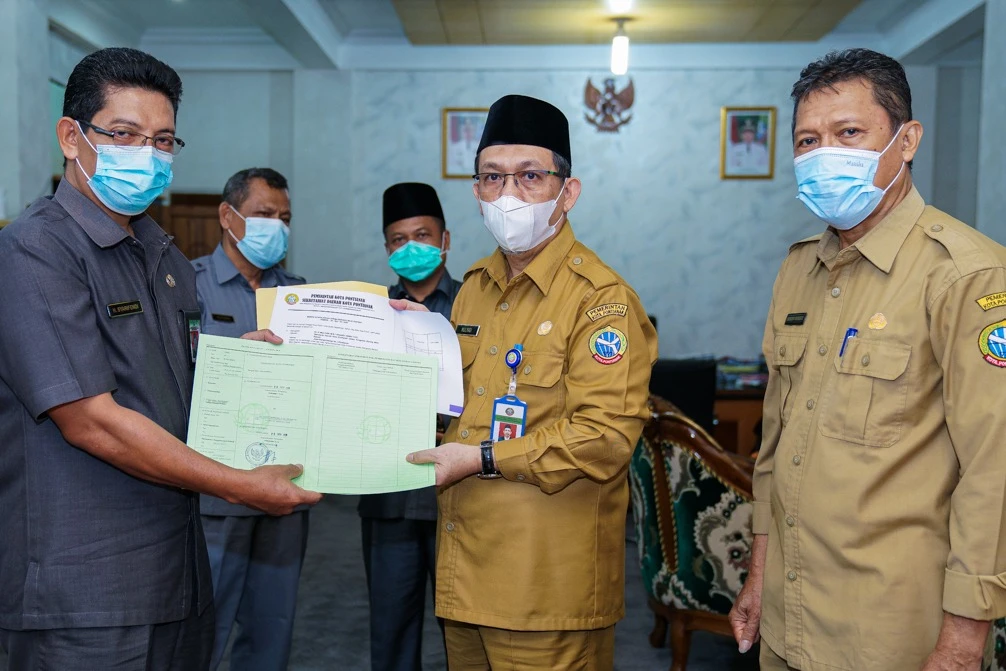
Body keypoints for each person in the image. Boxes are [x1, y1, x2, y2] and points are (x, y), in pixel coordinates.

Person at [0, 47, 320, 671]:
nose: (146, 154)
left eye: (164, 140)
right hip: (84, 591)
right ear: (71, 137)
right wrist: (241, 485)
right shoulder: (35, 251)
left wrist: (235, 365)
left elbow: (169, 378)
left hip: (177, 574)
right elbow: (90, 419)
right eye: (124, 134)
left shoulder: (163, 255)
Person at [729, 48, 1006, 671]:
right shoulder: (798, 269)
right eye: (808, 140)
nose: (824, 153)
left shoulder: (966, 274)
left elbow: (995, 472)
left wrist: (964, 641)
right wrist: (759, 576)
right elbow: (775, 448)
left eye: (849, 132)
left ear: (906, 141)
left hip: (891, 632)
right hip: (788, 618)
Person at [408, 94, 658, 670]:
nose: (508, 194)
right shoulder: (473, 287)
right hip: (465, 573)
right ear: (475, 191)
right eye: (492, 177)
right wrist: (400, 347)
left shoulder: (601, 300)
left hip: (546, 589)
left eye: (530, 176)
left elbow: (604, 438)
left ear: (567, 193)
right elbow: (454, 412)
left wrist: (483, 458)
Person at [193, 167, 309, 671]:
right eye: (264, 214)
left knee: (272, 627)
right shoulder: (187, 285)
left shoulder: (301, 297)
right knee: (204, 625)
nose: (276, 227)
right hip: (217, 492)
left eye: (285, 217)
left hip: (284, 488)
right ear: (228, 216)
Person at [359, 182, 460, 671]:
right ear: (387, 249)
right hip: (389, 494)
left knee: (465, 629)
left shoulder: (477, 306)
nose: (411, 247)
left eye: (422, 235)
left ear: (445, 240)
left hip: (458, 495)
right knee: (391, 627)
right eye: (399, 239)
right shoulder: (370, 314)